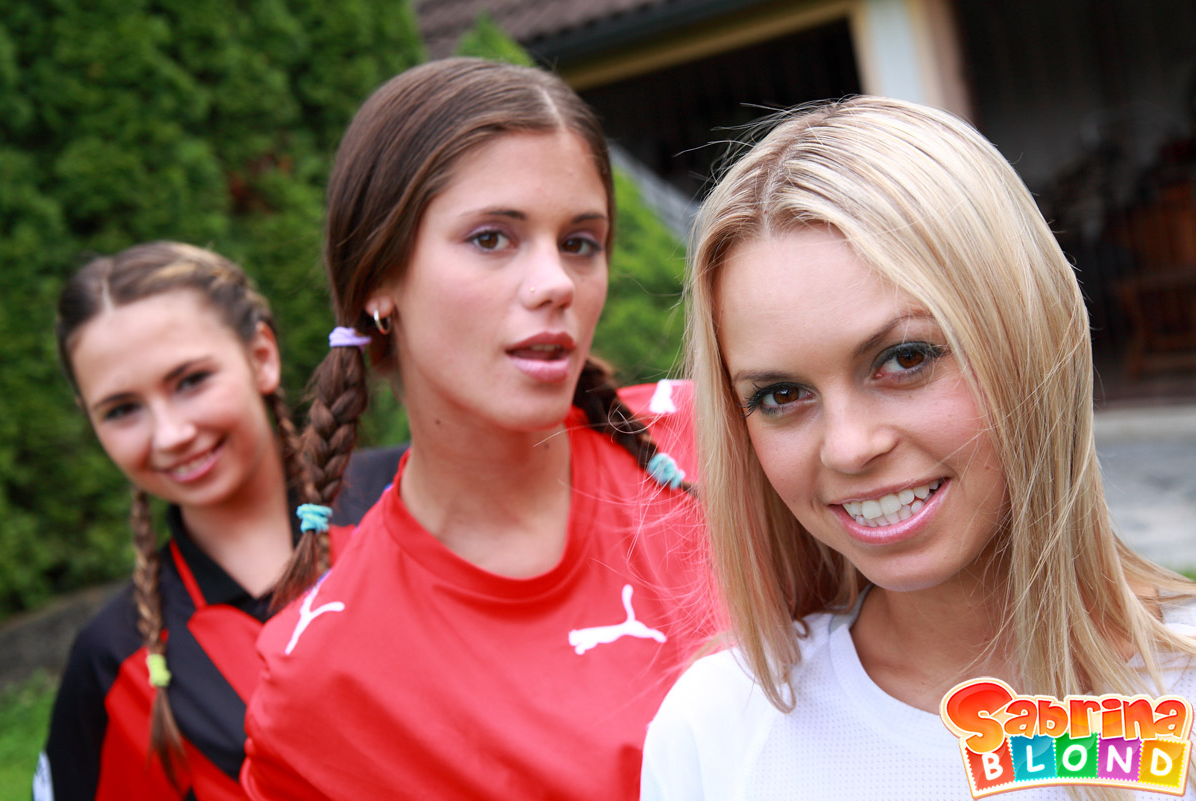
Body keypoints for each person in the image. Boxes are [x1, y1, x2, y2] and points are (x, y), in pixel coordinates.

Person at [640, 96, 1196, 799]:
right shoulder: (716, 732)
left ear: (1029, 337)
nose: (848, 447)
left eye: (905, 358)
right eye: (780, 394)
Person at [241, 58, 713, 800]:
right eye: (493, 238)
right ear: (377, 280)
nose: (556, 283)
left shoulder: (726, 443)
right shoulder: (324, 678)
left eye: (580, 242)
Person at [37, 242, 352, 800]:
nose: (170, 434)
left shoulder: (414, 501)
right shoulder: (113, 660)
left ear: (261, 357)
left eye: (190, 381)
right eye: (122, 410)